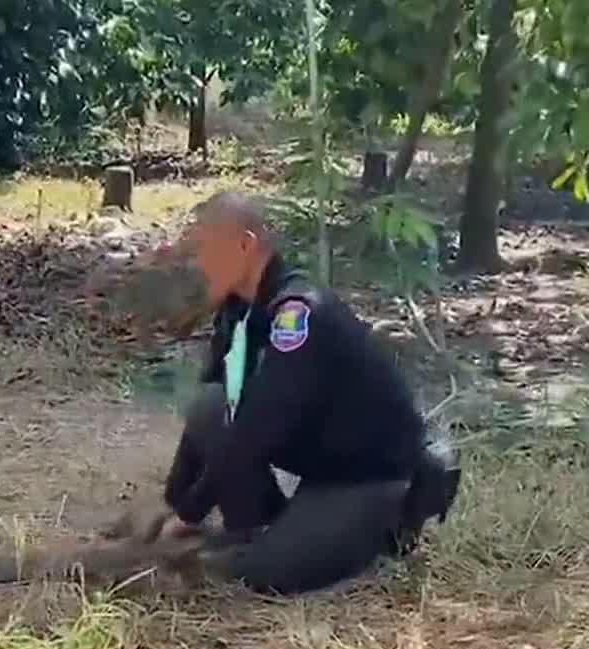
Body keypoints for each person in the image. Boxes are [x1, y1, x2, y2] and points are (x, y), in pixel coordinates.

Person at [105, 191, 461, 593]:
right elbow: (214, 408)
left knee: (261, 576)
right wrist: (175, 498)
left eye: (205, 249)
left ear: (245, 245)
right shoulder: (239, 310)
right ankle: (260, 528)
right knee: (209, 407)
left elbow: (257, 430)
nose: (198, 264)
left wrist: (189, 513)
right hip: (320, 468)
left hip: (369, 477)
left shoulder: (298, 314)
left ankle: (385, 528)